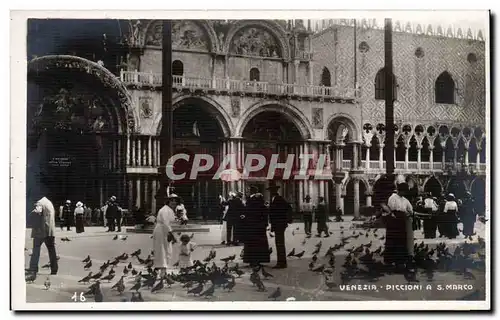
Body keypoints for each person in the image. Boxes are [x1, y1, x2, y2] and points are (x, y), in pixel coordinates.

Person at [382, 182, 413, 269]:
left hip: (402, 222)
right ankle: (390, 260)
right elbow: (391, 209)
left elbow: (410, 209)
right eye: (404, 191)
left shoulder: (405, 200)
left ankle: (400, 260)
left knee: (401, 241)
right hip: (393, 221)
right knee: (392, 240)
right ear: (400, 190)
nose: (404, 193)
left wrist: (408, 213)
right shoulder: (393, 197)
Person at [148, 193, 179, 278]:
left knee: (166, 250)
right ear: (168, 201)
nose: (174, 202)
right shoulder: (165, 210)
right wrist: (171, 234)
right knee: (162, 251)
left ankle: (162, 271)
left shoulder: (170, 210)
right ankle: (162, 272)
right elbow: (165, 223)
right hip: (162, 231)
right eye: (172, 200)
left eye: (175, 201)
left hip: (164, 231)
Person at [26, 197, 58, 279]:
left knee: (36, 250)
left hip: (40, 231)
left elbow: (37, 214)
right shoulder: (49, 203)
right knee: (52, 250)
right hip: (50, 231)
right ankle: (54, 269)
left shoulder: (40, 203)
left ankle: (33, 268)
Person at [241, 186, 270, 267]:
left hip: (252, 226)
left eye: (248, 191)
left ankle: (252, 260)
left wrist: (245, 217)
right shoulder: (259, 199)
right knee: (259, 243)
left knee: (252, 243)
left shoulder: (251, 200)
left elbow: (250, 212)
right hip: (259, 226)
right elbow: (263, 211)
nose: (246, 192)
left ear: (251, 192)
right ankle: (257, 259)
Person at [268, 184, 291, 269]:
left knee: (280, 244)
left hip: (279, 224)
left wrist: (286, 219)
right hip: (278, 224)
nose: (270, 192)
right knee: (279, 243)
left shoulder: (279, 199)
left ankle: (281, 263)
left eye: (271, 191)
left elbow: (288, 208)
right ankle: (281, 262)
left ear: (274, 191)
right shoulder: (274, 199)